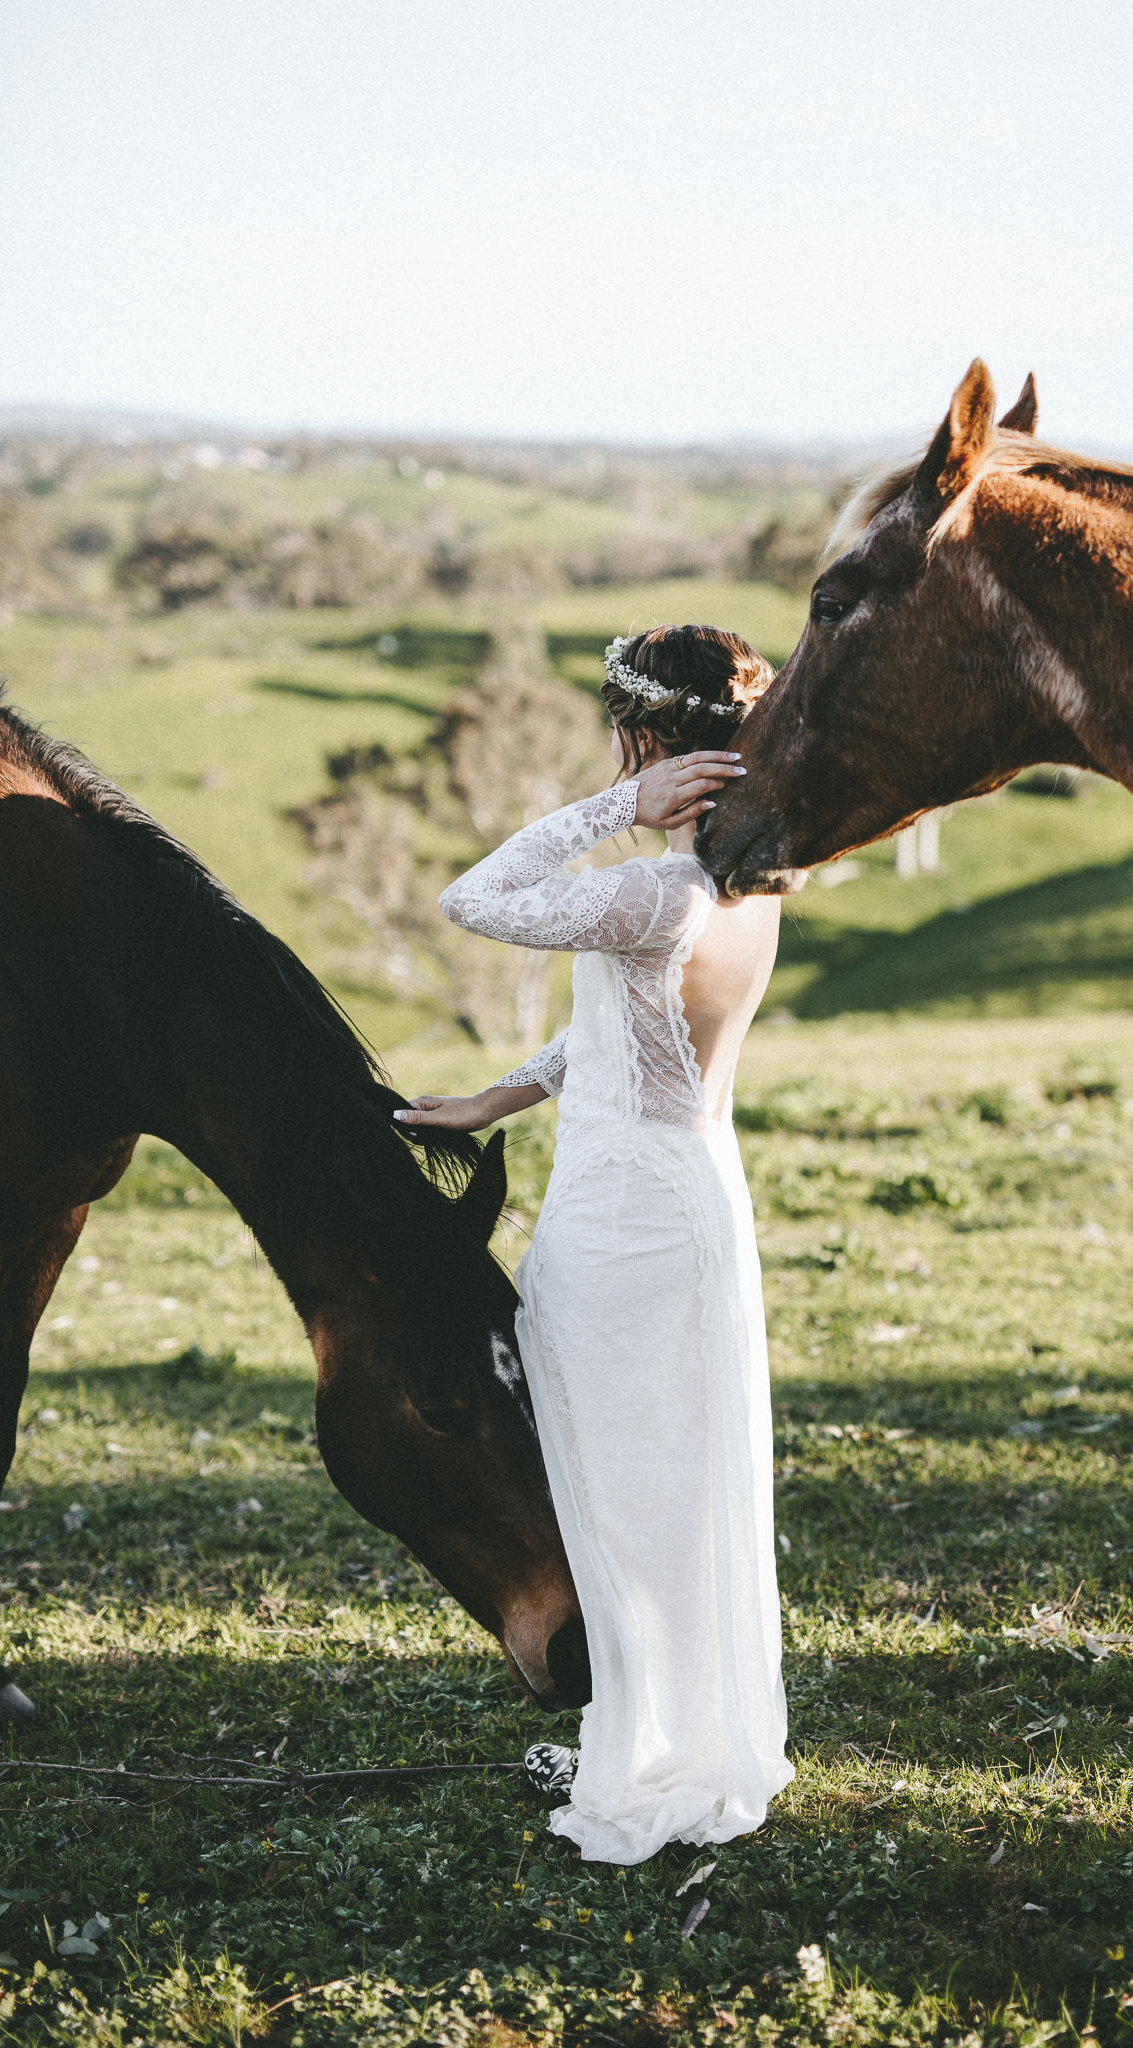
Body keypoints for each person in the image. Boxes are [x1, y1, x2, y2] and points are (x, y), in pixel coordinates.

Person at [395, 625, 793, 1865]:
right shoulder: (751, 884)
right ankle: (674, 1732)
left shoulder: (654, 887)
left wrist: (611, 808)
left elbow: (473, 897)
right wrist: (498, 1099)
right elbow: (626, 1035)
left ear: (642, 740)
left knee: (618, 1495)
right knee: (676, 1488)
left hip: (620, 1228)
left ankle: (642, 1756)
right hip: (698, 1203)